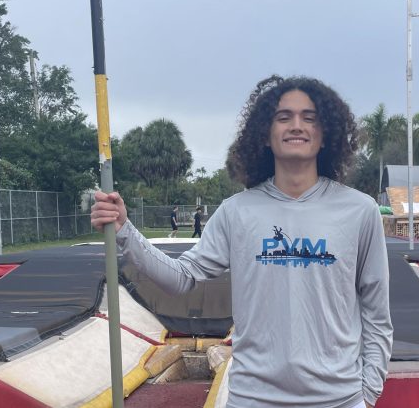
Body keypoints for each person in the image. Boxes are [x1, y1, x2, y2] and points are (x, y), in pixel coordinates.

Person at [91, 75, 393, 408]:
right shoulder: (238, 211)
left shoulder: (359, 210)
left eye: (309, 118)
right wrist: (124, 230)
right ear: (265, 133)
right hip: (253, 399)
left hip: (338, 400)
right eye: (283, 117)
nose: (296, 126)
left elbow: (376, 313)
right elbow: (181, 278)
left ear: (326, 134)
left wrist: (368, 393)